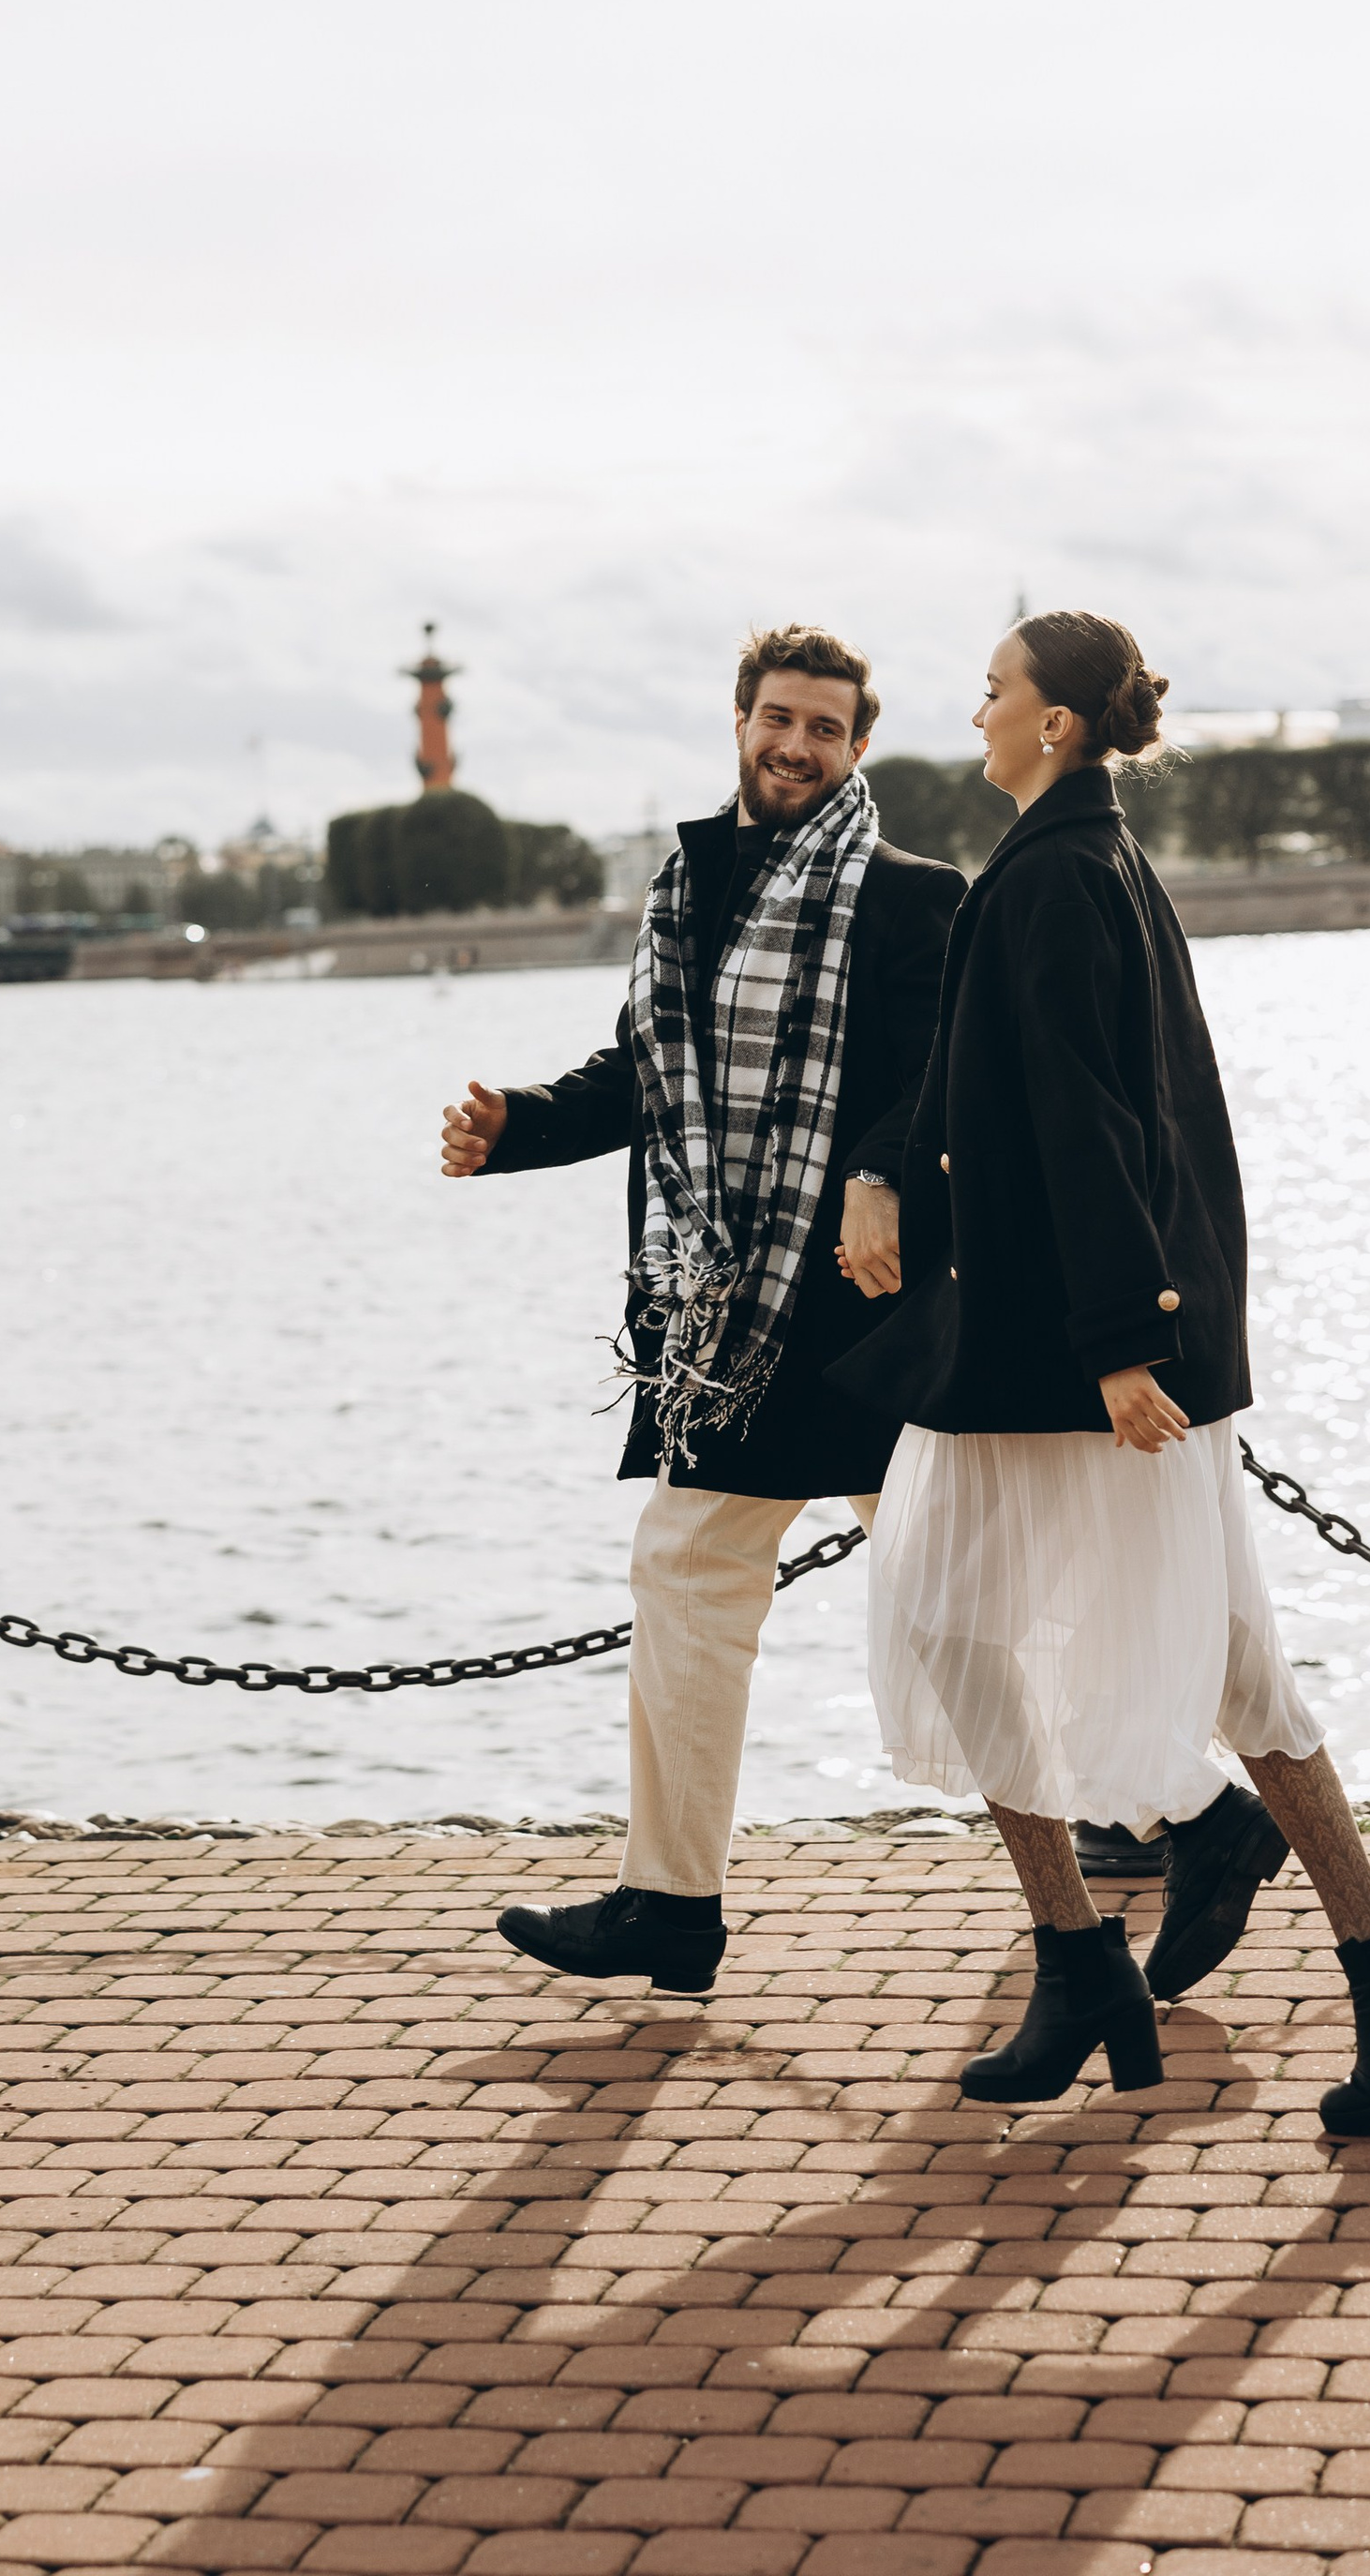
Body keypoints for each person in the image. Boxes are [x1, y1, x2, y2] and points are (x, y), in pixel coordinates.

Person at [837, 608, 1370, 2134]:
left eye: (997, 690)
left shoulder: (1061, 878)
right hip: (1096, 1340)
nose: (978, 708)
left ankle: (1079, 1957)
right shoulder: (1073, 861)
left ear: (1056, 722)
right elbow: (974, 1084)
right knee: (1231, 1659)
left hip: (1068, 1356)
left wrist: (1125, 1349)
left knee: (943, 1608)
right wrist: (886, 1175)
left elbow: (1099, 1120)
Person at [439, 625, 965, 1997]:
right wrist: (520, 1128)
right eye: (777, 719)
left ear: (860, 747)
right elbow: (644, 1078)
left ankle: (1182, 1815)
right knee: (706, 1573)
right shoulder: (687, 887)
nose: (797, 746)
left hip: (856, 1310)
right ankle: (671, 1904)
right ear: (739, 720)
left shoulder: (912, 896)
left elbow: (945, 1078)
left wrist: (876, 1173)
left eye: (826, 729)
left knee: (958, 1590)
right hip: (730, 1320)